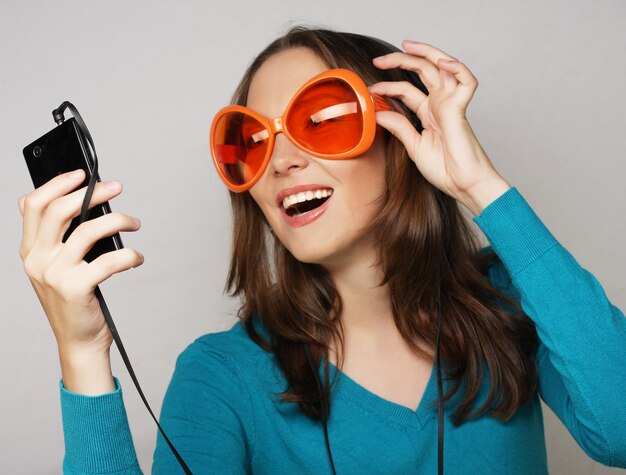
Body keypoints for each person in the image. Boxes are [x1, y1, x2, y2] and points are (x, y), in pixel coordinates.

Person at [17, 26, 626, 474]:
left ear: (403, 136)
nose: (280, 160)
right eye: (250, 141)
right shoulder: (223, 376)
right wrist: (82, 352)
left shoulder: (513, 302)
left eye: (324, 119)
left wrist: (483, 189)